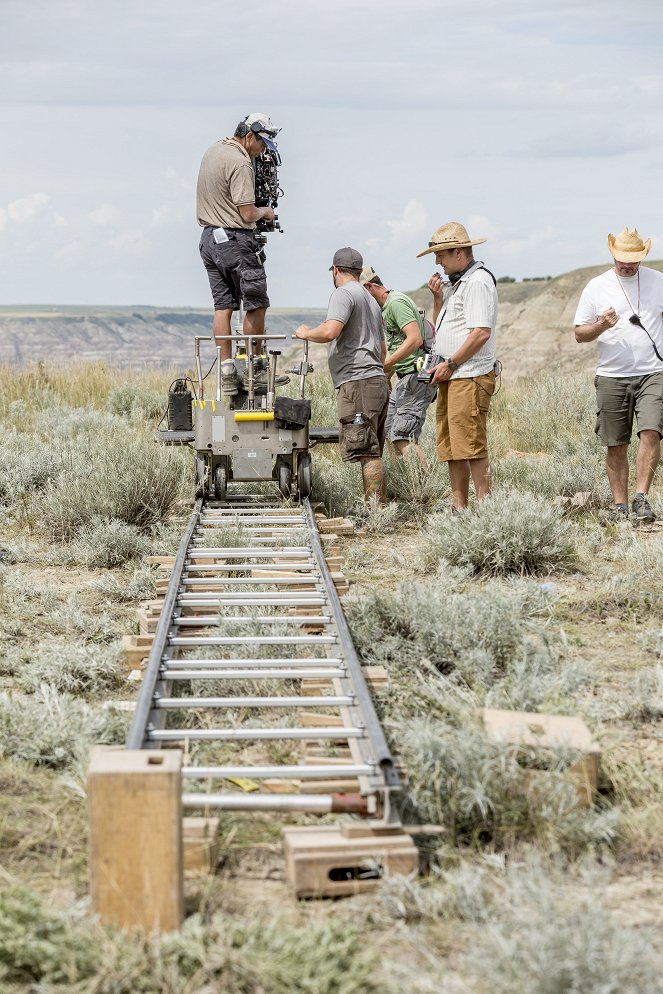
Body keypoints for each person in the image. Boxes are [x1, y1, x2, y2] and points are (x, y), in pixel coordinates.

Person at [574, 227, 663, 523]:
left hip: (654, 371)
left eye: (633, 260)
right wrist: (601, 325)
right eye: (622, 259)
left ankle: (641, 499)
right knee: (616, 443)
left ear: (642, 257)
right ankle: (620, 506)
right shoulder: (596, 286)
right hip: (612, 375)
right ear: (613, 254)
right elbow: (579, 334)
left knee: (651, 431)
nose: (627, 264)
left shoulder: (657, 280)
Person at [294, 248, 390, 502]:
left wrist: (305, 333)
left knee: (368, 453)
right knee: (373, 450)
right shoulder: (371, 299)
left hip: (358, 381)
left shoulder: (343, 293)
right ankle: (376, 510)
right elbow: (382, 350)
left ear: (335, 270)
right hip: (376, 380)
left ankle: (375, 515)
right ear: (359, 271)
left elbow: (330, 331)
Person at [416, 221, 498, 510]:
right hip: (454, 374)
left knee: (471, 445)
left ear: (459, 252)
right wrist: (438, 298)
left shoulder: (476, 282)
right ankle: (458, 507)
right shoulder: (460, 283)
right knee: (453, 446)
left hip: (468, 374)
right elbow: (445, 327)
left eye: (441, 255)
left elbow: (480, 333)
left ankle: (485, 508)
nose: (438, 262)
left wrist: (450, 363)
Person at [196, 112, 280, 396]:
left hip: (209, 239)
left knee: (223, 306)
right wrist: (266, 212)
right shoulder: (241, 162)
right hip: (235, 239)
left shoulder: (213, 151)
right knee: (256, 302)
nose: (262, 153)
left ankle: (228, 370)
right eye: (262, 146)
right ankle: (256, 367)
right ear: (250, 137)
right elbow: (246, 212)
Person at [359, 266, 436, 471]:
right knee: (392, 433)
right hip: (406, 377)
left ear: (369, 286)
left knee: (403, 436)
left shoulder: (396, 303)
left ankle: (423, 485)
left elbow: (414, 339)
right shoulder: (385, 308)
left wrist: (386, 364)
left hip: (416, 376)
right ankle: (404, 483)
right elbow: (398, 345)